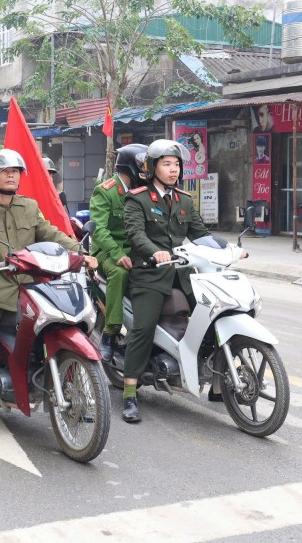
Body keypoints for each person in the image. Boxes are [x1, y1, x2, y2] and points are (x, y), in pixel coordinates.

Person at [0, 149, 98, 440]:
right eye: (5, 171)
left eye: (16, 171)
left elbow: (51, 234)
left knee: (59, 325)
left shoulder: (29, 207)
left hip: (32, 285)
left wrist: (80, 252)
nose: (11, 176)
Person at [121, 139, 212, 423]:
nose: (173, 170)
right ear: (152, 168)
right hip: (149, 274)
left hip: (183, 275)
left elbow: (200, 234)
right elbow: (136, 234)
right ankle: (129, 394)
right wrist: (154, 252)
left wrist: (225, 248)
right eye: (167, 164)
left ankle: (219, 383)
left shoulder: (184, 200)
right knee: (143, 328)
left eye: (176, 165)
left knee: (212, 315)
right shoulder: (137, 198)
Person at [89, 144, 147, 362]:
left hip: (135, 251)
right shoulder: (106, 190)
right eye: (141, 164)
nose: (145, 169)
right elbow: (100, 230)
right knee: (120, 273)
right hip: (107, 252)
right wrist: (116, 254)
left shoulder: (142, 190)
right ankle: (110, 333)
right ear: (130, 166)